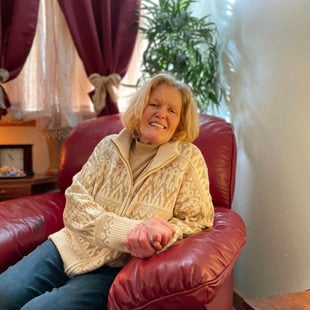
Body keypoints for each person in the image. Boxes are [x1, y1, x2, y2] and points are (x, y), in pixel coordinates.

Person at [0, 73, 214, 309]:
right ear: (139, 107)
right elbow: (75, 202)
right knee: (4, 293)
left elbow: (199, 220)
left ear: (181, 121)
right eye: (153, 104)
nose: (161, 113)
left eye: (172, 110)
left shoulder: (188, 159)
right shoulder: (108, 146)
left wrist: (164, 231)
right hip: (69, 245)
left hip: (115, 267)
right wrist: (130, 232)